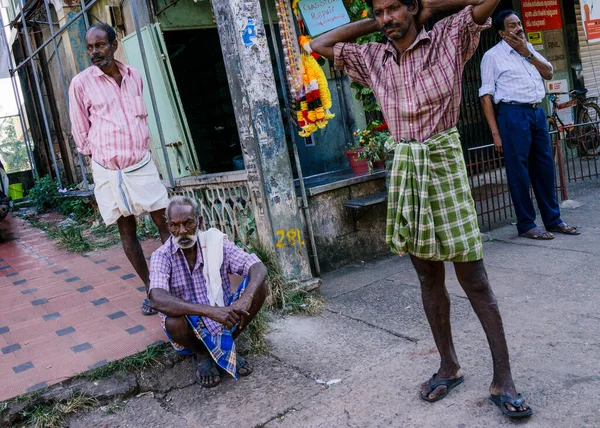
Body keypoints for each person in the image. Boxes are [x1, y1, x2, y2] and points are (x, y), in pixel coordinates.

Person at [311, 0, 532, 418]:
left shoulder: (449, 36)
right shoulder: (372, 56)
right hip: (406, 167)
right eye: (379, 11)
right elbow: (319, 43)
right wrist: (376, 19)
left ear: (414, 7)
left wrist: (432, 7)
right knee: (428, 276)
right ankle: (448, 365)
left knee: (475, 277)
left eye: (394, 8)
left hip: (445, 161)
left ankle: (504, 378)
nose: (385, 19)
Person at [69, 22, 171, 315]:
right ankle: (152, 290)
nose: (94, 52)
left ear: (113, 45)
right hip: (108, 169)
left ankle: (173, 283)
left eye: (100, 45)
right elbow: (81, 132)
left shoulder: (134, 75)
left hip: (141, 163)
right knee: (127, 229)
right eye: (89, 47)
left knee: (163, 221)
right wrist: (103, 156)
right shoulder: (81, 83)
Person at [479, 10, 580, 240]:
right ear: (502, 33)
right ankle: (526, 224)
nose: (519, 28)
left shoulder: (528, 50)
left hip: (536, 113)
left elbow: (549, 72)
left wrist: (527, 53)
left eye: (519, 23)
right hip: (512, 114)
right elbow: (485, 96)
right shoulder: (492, 57)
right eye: (512, 25)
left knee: (544, 168)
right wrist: (496, 133)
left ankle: (553, 220)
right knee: (519, 172)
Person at [149, 196, 267, 387]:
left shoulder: (215, 243)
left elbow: (257, 267)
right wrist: (209, 311)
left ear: (200, 222)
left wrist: (246, 298)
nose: (182, 232)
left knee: (259, 287)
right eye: (175, 226)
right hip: (191, 325)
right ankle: (202, 353)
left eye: (188, 223)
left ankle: (225, 344)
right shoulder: (162, 256)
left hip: (223, 316)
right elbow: (156, 298)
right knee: (173, 321)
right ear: (168, 226)